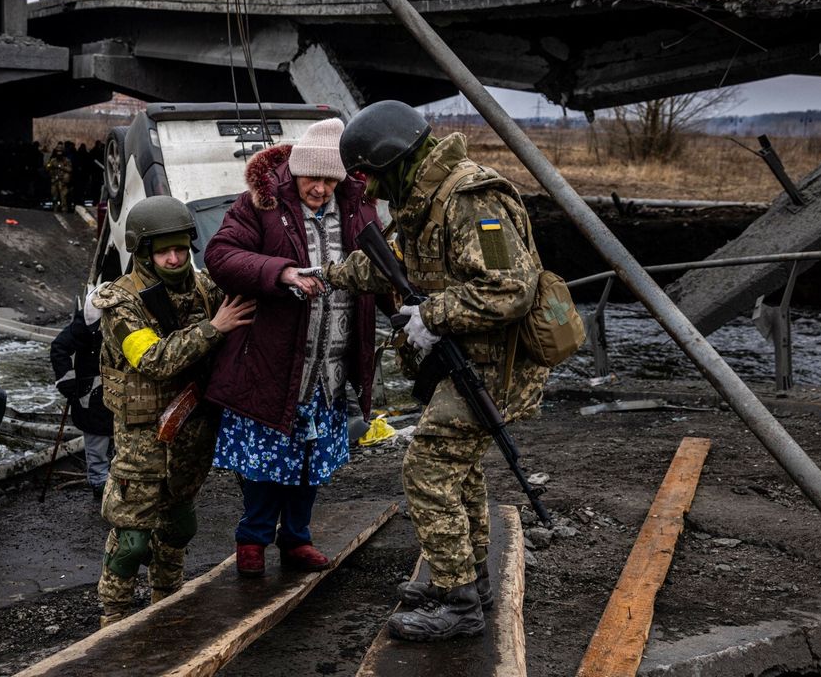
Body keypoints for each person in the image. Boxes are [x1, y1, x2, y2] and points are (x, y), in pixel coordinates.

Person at [323, 100, 548, 642]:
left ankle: (459, 603)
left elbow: (511, 288)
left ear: (394, 160)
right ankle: (468, 582)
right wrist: (323, 274)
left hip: (497, 366)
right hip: (469, 359)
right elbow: (390, 262)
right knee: (458, 471)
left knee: (426, 470)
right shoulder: (425, 200)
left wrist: (431, 313)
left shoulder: (472, 200)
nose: (371, 192)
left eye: (372, 177)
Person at [204, 118, 381, 577]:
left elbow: (379, 265)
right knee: (265, 460)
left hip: (330, 365)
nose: (320, 188)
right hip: (272, 360)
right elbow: (221, 255)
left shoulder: (359, 208)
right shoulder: (260, 204)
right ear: (295, 171)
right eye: (311, 178)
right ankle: (253, 539)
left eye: (329, 179)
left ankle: (297, 537)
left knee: (311, 459)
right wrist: (281, 272)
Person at [91, 195, 256, 626]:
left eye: (181, 248)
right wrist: (213, 328)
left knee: (179, 527)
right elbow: (152, 360)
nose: (174, 257)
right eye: (163, 249)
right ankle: (114, 616)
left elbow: (247, 291)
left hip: (192, 432)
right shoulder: (121, 304)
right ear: (143, 251)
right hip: (143, 438)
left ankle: (168, 603)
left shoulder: (204, 288)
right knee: (130, 539)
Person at [50, 287, 113, 499]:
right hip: (92, 395)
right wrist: (67, 381)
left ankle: (116, 488)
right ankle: (100, 487)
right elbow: (60, 347)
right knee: (97, 444)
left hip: (122, 393)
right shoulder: (88, 319)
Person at [47, 143, 73, 212]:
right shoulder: (53, 160)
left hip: (62, 182)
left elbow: (70, 169)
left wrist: (62, 167)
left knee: (63, 197)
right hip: (55, 180)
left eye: (60, 151)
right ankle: (55, 209)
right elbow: (48, 168)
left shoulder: (66, 160)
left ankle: (64, 211)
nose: (59, 153)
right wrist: (50, 167)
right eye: (58, 151)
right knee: (54, 197)